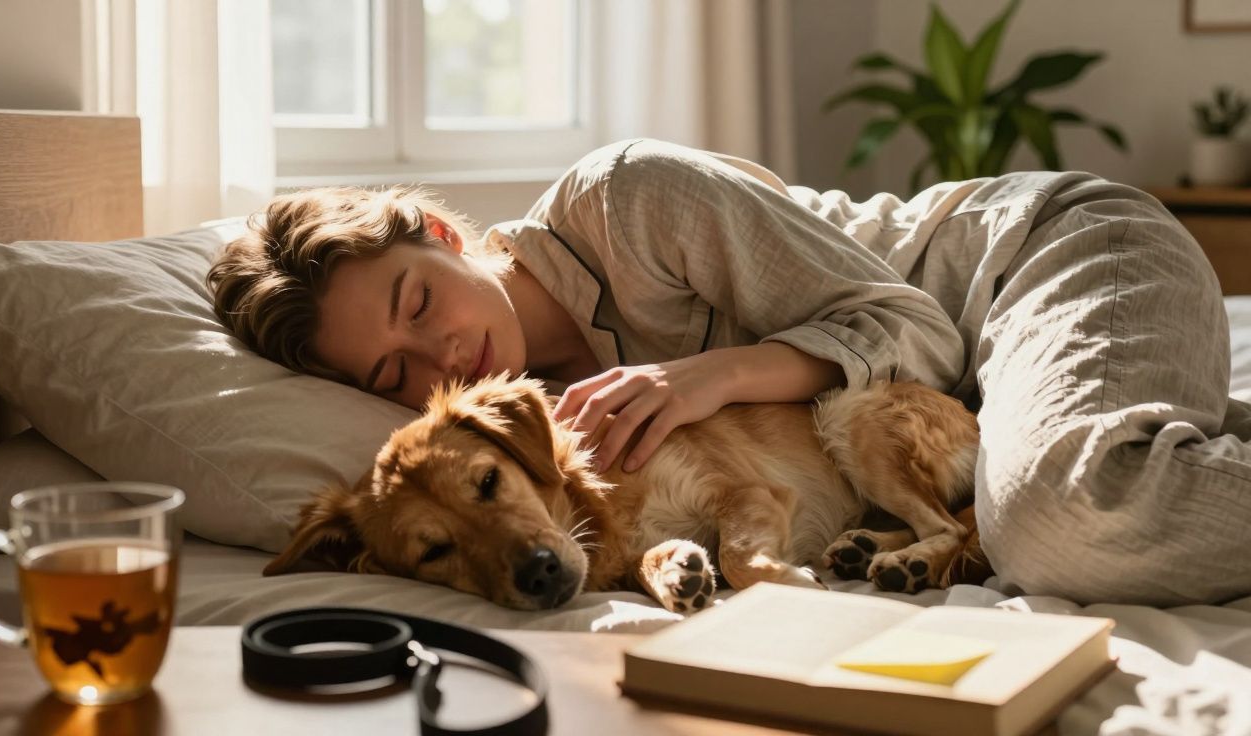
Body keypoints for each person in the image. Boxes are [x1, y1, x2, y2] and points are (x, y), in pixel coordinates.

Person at [208, 138, 1251, 607]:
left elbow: (921, 331)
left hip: (1035, 259)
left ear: (441, 235)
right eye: (392, 369)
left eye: (418, 303)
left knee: (1059, 517)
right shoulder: (510, 435)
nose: (439, 356)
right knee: (1059, 488)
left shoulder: (625, 198)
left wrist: (710, 376)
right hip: (983, 401)